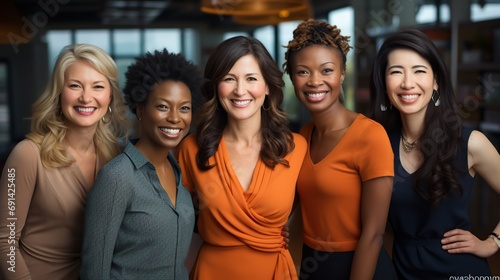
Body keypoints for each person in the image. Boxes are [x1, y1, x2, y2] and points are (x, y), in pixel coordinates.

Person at [369, 29, 500, 279]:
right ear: (384, 84)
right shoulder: (378, 144)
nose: (408, 83)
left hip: (461, 271)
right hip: (403, 271)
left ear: (436, 80)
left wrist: (493, 243)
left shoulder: (470, 143)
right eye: (396, 71)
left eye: (419, 71)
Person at [176, 35, 307, 279]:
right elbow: (174, 226)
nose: (239, 90)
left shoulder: (296, 148)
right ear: (216, 86)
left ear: (268, 86)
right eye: (229, 79)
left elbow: (312, 217)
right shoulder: (192, 149)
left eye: (251, 79)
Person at [0, 43, 128, 280]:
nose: (86, 97)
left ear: (110, 96)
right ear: (59, 93)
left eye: (98, 87)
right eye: (75, 85)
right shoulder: (27, 154)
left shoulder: (119, 156)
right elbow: (4, 241)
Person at [282, 19, 397, 280]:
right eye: (302, 72)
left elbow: (375, 233)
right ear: (291, 76)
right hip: (314, 266)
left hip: (362, 268)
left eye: (326, 70)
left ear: (342, 73)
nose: (314, 81)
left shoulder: (370, 135)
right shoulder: (303, 137)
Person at [80, 49, 202, 280]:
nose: (176, 118)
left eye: (184, 108)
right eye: (163, 106)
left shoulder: (178, 172)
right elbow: (93, 270)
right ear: (140, 110)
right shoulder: (117, 177)